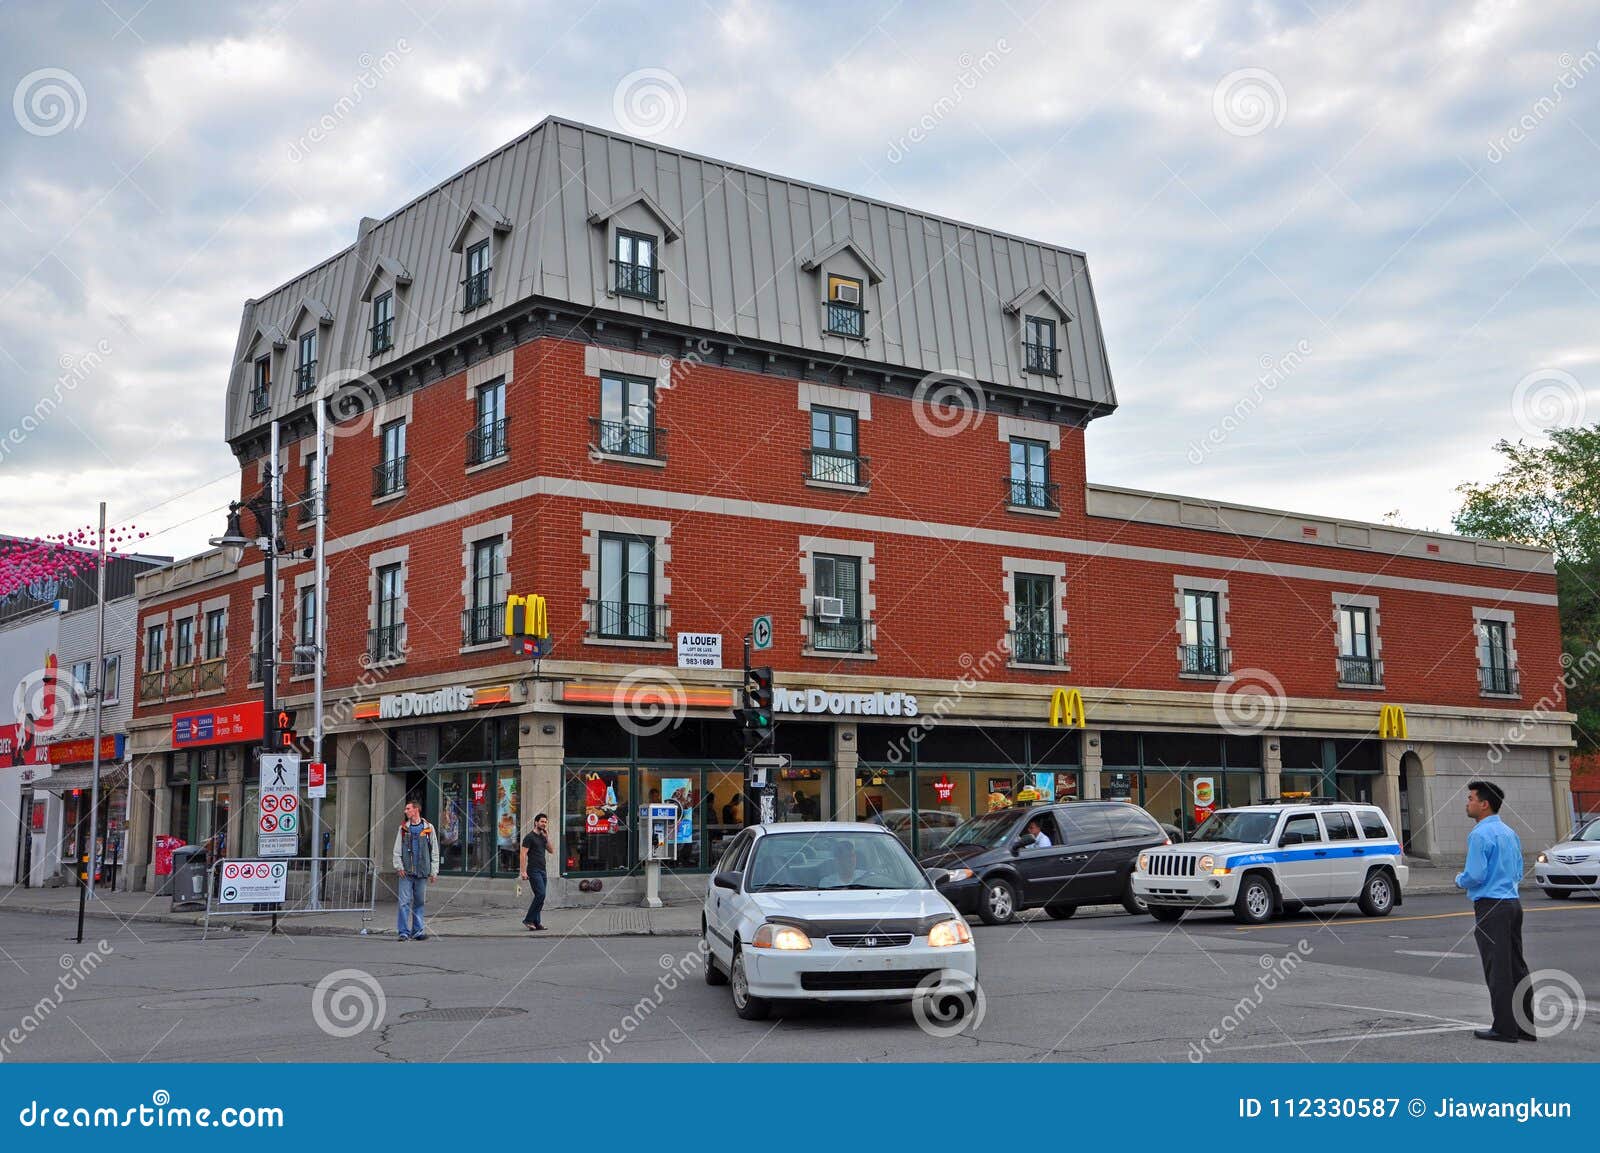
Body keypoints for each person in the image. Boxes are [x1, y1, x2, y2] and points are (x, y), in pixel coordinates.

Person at [1455, 780, 1536, 1043]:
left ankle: (1504, 1028)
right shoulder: (1509, 832)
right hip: (1513, 903)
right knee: (1517, 966)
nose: (1467, 803)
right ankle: (1525, 1026)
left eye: (1470, 798)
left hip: (1491, 906)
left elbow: (1475, 875)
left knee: (1497, 968)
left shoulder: (1479, 834)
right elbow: (1518, 870)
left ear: (1484, 804)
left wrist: (1459, 880)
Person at [391, 800, 439, 941]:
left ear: (416, 810)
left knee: (419, 902)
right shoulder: (403, 829)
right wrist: (398, 866)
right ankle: (403, 932)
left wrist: (434, 871)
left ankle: (417, 931)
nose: (405, 811)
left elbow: (434, 851)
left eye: (408, 808)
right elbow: (396, 850)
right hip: (406, 872)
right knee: (404, 902)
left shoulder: (429, 828)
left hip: (422, 872)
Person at [519, 812, 553, 931]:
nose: (544, 824)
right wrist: (523, 872)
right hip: (533, 870)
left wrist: (547, 837)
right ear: (536, 822)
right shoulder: (529, 837)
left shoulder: (542, 837)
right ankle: (528, 920)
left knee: (541, 897)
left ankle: (537, 922)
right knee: (541, 894)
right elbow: (523, 855)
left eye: (545, 822)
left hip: (543, 870)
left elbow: (551, 850)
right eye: (542, 821)